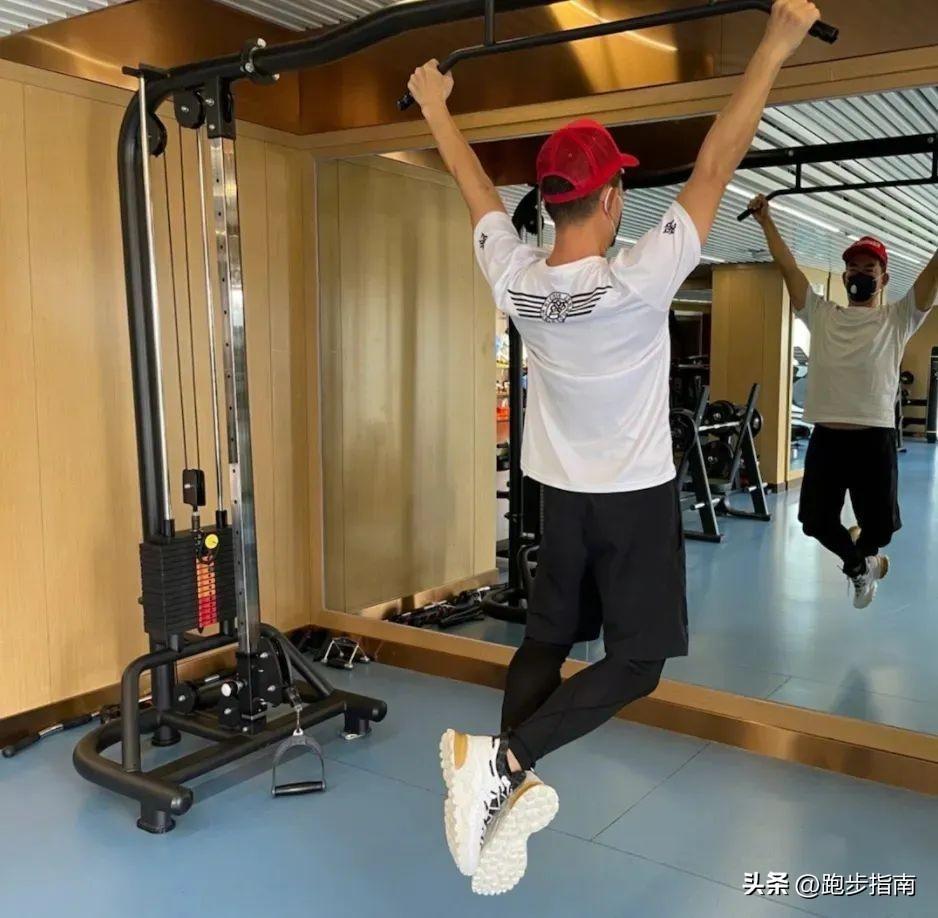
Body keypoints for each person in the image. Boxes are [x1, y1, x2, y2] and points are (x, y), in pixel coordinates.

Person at [407, 0, 823, 896]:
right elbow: (718, 159)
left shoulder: (516, 279)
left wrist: (436, 106)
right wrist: (775, 44)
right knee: (637, 663)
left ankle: (494, 789)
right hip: (631, 501)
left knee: (547, 639)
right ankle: (503, 762)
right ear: (609, 198)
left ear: (553, 202)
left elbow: (477, 194)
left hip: (559, 497)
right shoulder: (637, 279)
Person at [750, 195, 937, 607]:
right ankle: (862, 566)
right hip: (828, 438)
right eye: (853, 268)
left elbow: (931, 277)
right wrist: (767, 222)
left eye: (869, 269)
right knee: (815, 522)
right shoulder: (822, 314)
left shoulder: (898, 318)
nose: (859, 275)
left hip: (874, 439)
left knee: (881, 530)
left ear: (883, 278)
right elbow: (789, 269)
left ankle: (866, 556)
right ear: (844, 274)